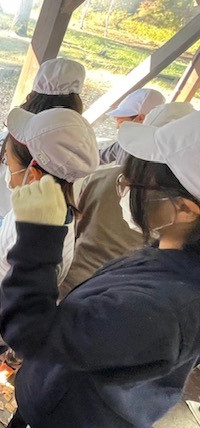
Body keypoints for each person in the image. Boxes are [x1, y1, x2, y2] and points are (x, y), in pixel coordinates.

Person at [0, 111, 200, 428]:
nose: (123, 186)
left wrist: (39, 236)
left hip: (56, 417)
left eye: (134, 183)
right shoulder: (175, 257)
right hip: (89, 406)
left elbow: (27, 331)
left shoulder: (165, 308)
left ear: (184, 209)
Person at [0, 107, 99, 425]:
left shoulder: (41, 241)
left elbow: (11, 311)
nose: (7, 179)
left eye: (8, 163)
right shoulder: (37, 209)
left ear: (32, 174)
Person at [0, 57, 86, 344]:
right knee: (1, 297)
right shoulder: (71, 152)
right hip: (30, 235)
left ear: (34, 93)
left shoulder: (3, 138)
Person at [60, 102, 196, 298]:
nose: (126, 189)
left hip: (76, 280)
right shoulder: (169, 259)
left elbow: (73, 228)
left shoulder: (102, 178)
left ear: (185, 209)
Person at [99, 88, 165, 165]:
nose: (117, 127)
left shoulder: (157, 155)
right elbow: (98, 157)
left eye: (121, 122)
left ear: (140, 119)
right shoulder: (125, 142)